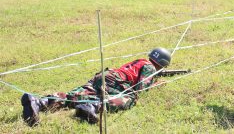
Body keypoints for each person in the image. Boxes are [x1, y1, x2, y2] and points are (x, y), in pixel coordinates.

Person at [21, 47, 171, 126]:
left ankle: (40, 102)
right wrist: (156, 84)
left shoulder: (141, 61)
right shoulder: (150, 67)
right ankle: (93, 106)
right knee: (130, 98)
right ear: (162, 65)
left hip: (103, 75)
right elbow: (141, 87)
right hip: (116, 80)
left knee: (74, 96)